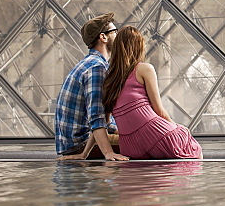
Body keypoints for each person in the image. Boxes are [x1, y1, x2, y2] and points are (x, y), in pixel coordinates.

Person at [98, 26, 202, 160]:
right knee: (194, 147)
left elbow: (103, 121)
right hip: (155, 134)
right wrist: (178, 127)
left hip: (129, 146)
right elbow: (159, 110)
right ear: (138, 46)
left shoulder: (109, 78)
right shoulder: (144, 69)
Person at [55, 13, 129, 161]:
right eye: (115, 32)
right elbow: (96, 116)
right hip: (80, 144)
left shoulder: (90, 63)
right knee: (147, 142)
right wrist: (108, 153)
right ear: (103, 37)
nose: (119, 35)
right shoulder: (96, 68)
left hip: (75, 142)